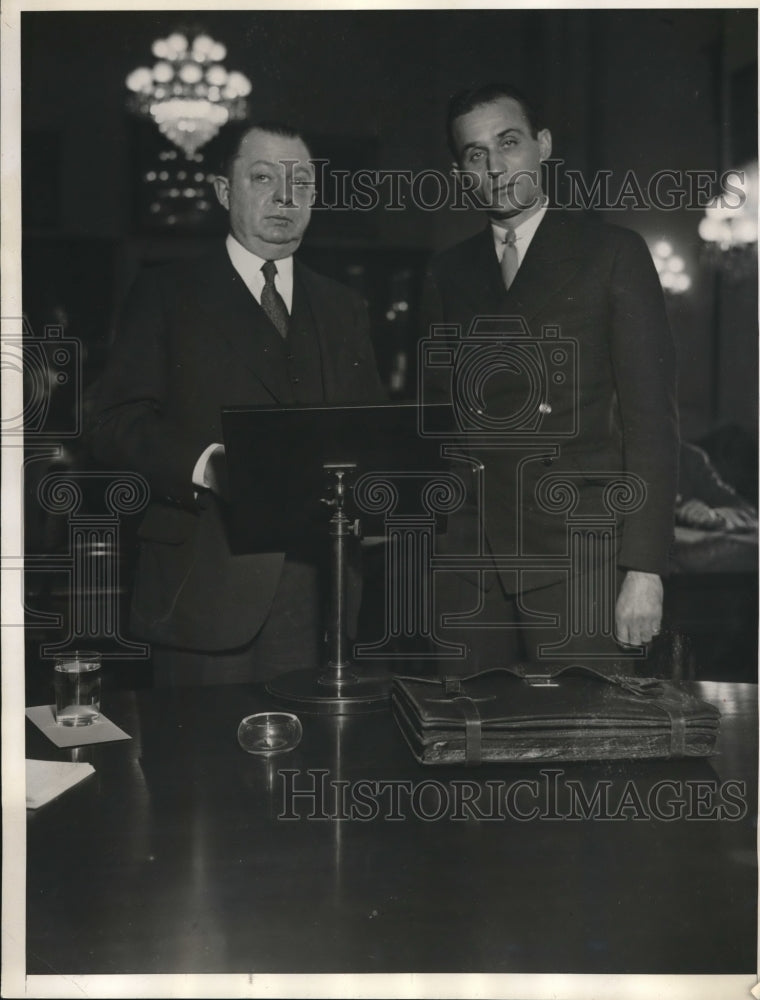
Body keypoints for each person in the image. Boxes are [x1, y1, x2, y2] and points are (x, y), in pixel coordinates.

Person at [89, 121, 384, 685]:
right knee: (201, 767)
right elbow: (110, 422)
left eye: (300, 181)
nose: (284, 197)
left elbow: (364, 434)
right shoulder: (166, 293)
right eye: (262, 177)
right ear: (224, 191)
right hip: (202, 590)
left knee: (313, 768)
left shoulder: (344, 305)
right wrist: (207, 465)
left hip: (322, 595)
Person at [423, 83, 679, 672]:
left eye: (508, 142)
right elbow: (438, 424)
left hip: (580, 561)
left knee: (587, 747)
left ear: (542, 146)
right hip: (468, 565)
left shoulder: (612, 253)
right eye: (474, 153)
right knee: (466, 753)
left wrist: (646, 570)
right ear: (462, 171)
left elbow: (651, 424)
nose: (494, 165)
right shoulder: (447, 272)